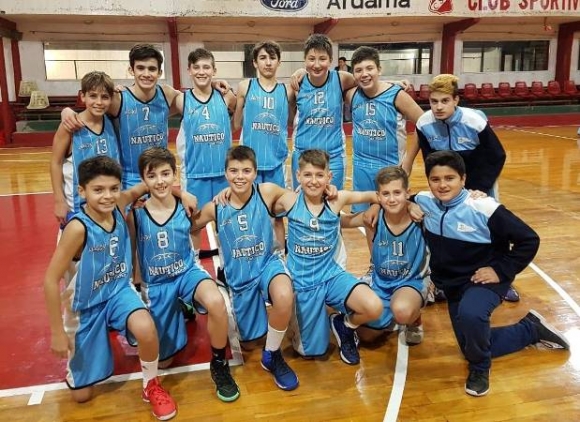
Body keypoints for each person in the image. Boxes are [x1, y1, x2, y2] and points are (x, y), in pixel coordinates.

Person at [413, 150, 569, 397]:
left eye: (450, 178)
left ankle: (480, 368)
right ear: (428, 180)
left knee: (472, 315)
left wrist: (500, 270)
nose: (442, 185)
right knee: (470, 345)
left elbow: (529, 239)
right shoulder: (424, 201)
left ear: (464, 179)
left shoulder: (483, 207)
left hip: (484, 279)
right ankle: (530, 330)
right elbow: (394, 197)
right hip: (453, 285)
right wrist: (387, 206)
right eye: (435, 179)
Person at [44, 156, 177, 421]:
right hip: (86, 306)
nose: (107, 196)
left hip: (117, 292)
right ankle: (94, 343)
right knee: (81, 397)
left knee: (146, 327)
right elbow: (49, 280)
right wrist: (57, 333)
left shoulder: (119, 204)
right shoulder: (77, 229)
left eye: (113, 188)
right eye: (98, 190)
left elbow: (144, 186)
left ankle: (151, 385)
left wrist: (180, 194)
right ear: (81, 191)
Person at [128, 147, 240, 402]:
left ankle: (219, 365)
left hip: (186, 272)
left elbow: (195, 232)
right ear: (143, 180)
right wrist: (137, 286)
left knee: (216, 303)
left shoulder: (186, 206)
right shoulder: (136, 213)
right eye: (152, 175)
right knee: (165, 361)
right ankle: (180, 306)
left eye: (166, 174)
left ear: (174, 174)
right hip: (156, 283)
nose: (160, 181)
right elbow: (134, 249)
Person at [192, 145, 299, 391]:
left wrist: (327, 190)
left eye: (246, 170)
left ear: (255, 172)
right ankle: (259, 336)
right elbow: (188, 225)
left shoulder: (267, 192)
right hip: (240, 276)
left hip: (267, 264)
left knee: (284, 295)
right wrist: (182, 199)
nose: (240, 176)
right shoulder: (215, 207)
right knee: (251, 343)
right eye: (234, 171)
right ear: (225, 173)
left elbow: (297, 201)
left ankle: (272, 355)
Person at [272, 149, 383, 364]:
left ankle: (345, 325)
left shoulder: (337, 199)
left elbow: (374, 195)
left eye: (319, 175)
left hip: (331, 275)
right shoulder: (289, 201)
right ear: (298, 175)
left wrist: (376, 207)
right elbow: (263, 202)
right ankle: (308, 319)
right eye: (308, 175)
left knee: (373, 307)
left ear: (329, 177)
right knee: (311, 352)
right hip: (302, 282)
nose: (313, 181)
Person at [414, 73, 518, 302]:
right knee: (450, 230)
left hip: (479, 182)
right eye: (433, 101)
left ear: (456, 100)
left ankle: (503, 279)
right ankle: (445, 280)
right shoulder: (424, 123)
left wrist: (479, 187)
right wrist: (437, 185)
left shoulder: (474, 121)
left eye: (444, 101)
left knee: (492, 230)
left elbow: (496, 155)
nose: (438, 107)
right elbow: (429, 158)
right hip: (447, 183)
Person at [344, 46, 424, 279]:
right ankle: (376, 266)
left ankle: (404, 267)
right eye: (359, 70)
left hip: (390, 169)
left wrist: (407, 162)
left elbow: (424, 124)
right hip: (361, 169)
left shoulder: (397, 95)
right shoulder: (352, 95)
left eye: (370, 68)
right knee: (370, 220)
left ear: (379, 69)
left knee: (395, 219)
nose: (364, 74)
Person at [347, 166, 429, 345]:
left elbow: (448, 201)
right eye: (385, 194)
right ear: (378, 196)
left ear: (407, 193)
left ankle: (414, 319)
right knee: (366, 336)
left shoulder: (420, 215)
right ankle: (388, 315)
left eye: (397, 192)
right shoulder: (373, 218)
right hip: (381, 282)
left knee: (402, 310)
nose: (391, 199)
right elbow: (340, 221)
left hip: (412, 281)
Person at [232, 40, 294, 250]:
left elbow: (291, 119)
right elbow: (237, 123)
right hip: (251, 165)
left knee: (276, 214)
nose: (268, 62)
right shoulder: (245, 86)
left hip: (276, 163)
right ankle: (253, 252)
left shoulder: (287, 91)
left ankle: (278, 255)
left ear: (279, 62)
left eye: (272, 58)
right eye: (263, 58)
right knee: (250, 213)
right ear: (255, 62)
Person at [176, 47, 237, 256]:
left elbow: (238, 108)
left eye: (206, 67)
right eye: (197, 67)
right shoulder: (181, 100)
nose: (201, 71)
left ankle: (227, 268)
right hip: (195, 174)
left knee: (226, 223)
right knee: (194, 224)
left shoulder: (226, 98)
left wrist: (221, 87)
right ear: (189, 71)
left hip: (223, 174)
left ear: (214, 70)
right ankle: (195, 266)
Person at [51, 71, 120, 227]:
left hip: (107, 204)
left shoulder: (112, 123)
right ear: (83, 96)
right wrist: (59, 201)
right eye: (93, 96)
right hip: (77, 206)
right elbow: (55, 163)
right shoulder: (69, 126)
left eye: (105, 97)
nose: (99, 102)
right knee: (73, 250)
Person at [291, 34, 357, 190]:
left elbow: (368, 82)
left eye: (322, 59)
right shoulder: (297, 84)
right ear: (305, 60)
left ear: (330, 60)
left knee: (332, 204)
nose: (317, 64)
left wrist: (393, 83)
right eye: (311, 59)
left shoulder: (341, 79)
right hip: (302, 156)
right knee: (301, 206)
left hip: (333, 157)